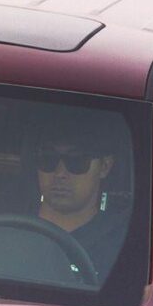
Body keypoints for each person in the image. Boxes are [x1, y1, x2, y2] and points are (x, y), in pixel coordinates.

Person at [29, 119, 130, 281]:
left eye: (77, 160)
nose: (60, 173)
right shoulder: (4, 232)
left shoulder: (124, 249)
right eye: (48, 158)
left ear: (104, 166)